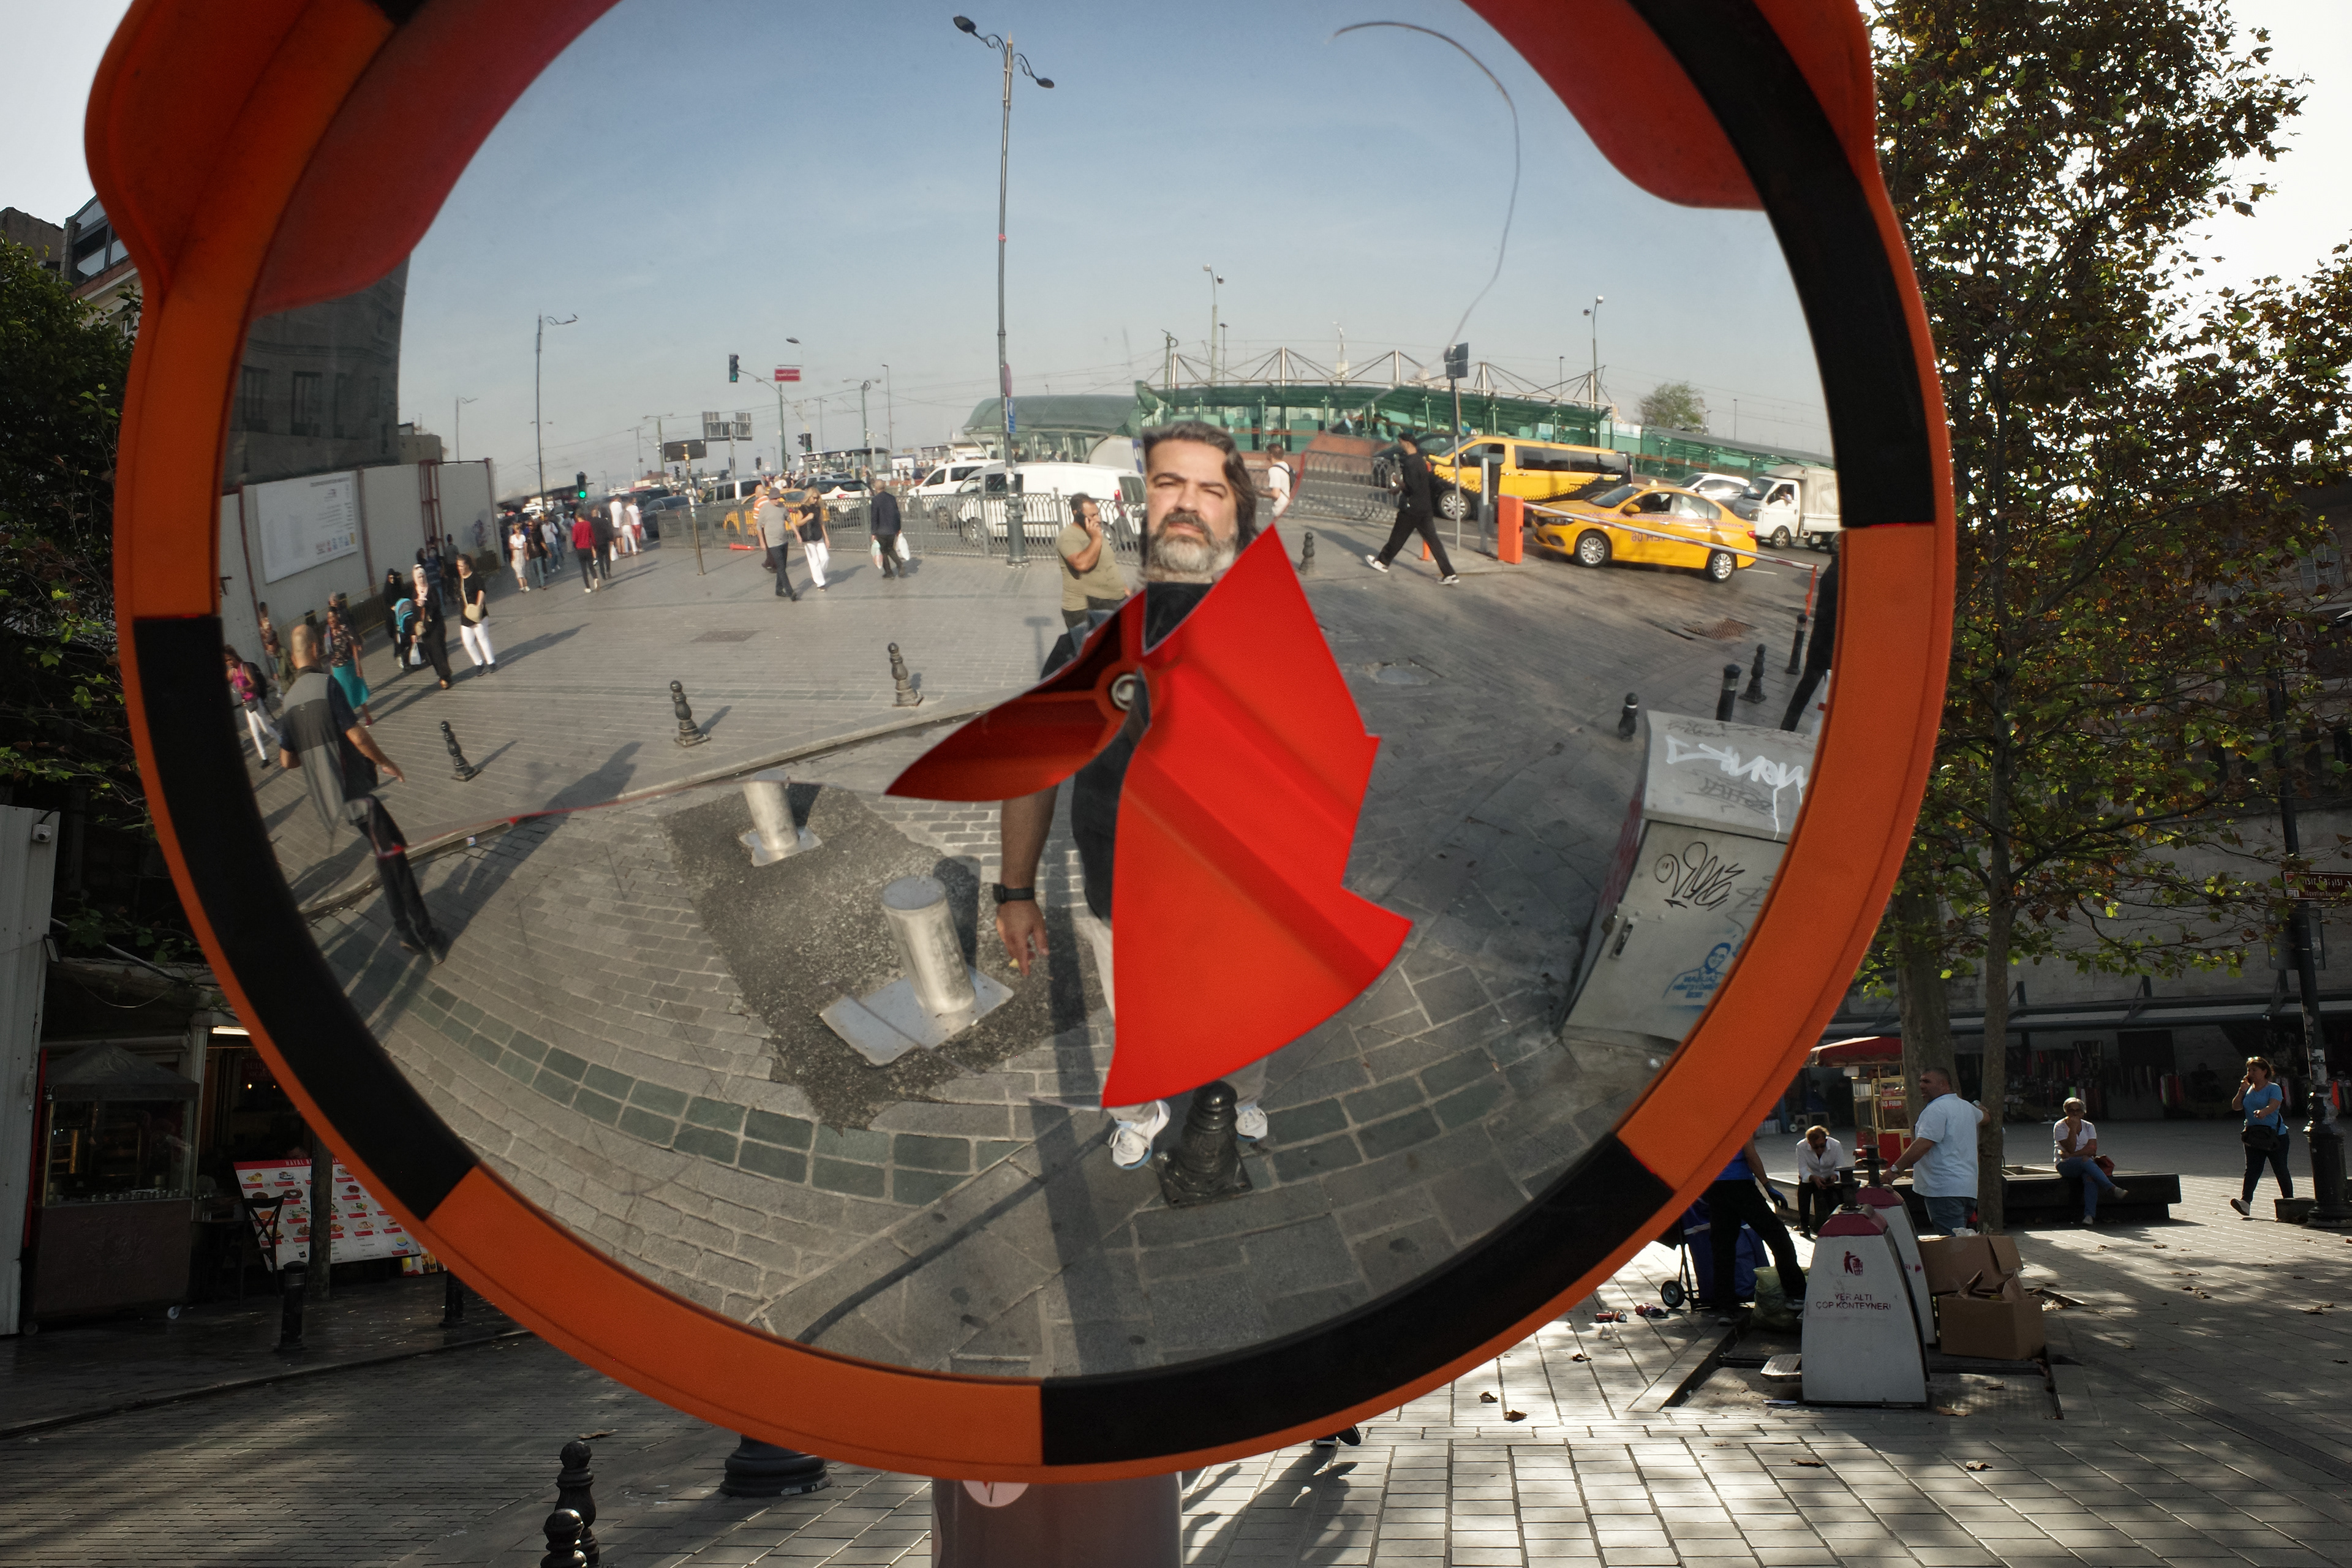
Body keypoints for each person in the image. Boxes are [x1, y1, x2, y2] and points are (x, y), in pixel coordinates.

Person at [995, 420, 1271, 1170]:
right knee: (1137, 1021)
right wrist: (1013, 889)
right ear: (1141, 508)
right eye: (1167, 484)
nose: (1186, 503)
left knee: (1245, 1018)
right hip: (1121, 896)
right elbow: (1032, 773)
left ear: (1238, 518)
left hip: (1241, 900)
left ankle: (1237, 1091)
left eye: (1211, 489)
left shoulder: (1272, 640)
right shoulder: (1088, 644)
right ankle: (1142, 1107)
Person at [277, 625, 443, 959]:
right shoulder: (327, 685)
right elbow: (357, 736)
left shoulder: (289, 702)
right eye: (319, 645)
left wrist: (314, 749)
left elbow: (286, 761)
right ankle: (425, 934)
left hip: (334, 800)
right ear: (311, 648)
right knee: (395, 855)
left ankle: (404, 929)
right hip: (356, 793)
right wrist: (386, 762)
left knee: (385, 853)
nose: (323, 649)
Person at [1700, 1135, 1804, 1320]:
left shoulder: (1706, 1123)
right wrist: (1768, 1185)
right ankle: (1796, 1295)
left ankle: (1726, 1307)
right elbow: (1751, 1155)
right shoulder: (1740, 1119)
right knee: (1778, 1237)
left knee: (1723, 1248)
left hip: (1715, 1188)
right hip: (1741, 1186)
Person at [1886, 1066, 1986, 1236]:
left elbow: (1923, 1144)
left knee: (1954, 1245)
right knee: (1963, 1241)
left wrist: (1894, 1171)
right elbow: (1986, 1117)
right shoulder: (1966, 1108)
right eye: (1920, 1081)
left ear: (1944, 1084)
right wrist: (1979, 1105)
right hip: (1967, 1189)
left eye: (1927, 1081)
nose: (1921, 1086)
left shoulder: (1936, 1110)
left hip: (1944, 1190)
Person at [1365, 431, 1458, 584]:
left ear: (1406, 443)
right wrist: (1399, 488)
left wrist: (1398, 482)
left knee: (1397, 537)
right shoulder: (1420, 460)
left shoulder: (1409, 462)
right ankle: (1449, 573)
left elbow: (1411, 488)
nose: (1399, 445)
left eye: (1400, 442)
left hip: (1411, 507)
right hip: (1425, 507)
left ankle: (1382, 562)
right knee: (1433, 541)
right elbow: (1420, 484)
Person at [1055, 494, 1131, 628]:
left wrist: (1126, 592)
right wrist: (1096, 539)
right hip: (1083, 609)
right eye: (1092, 515)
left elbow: (1108, 565)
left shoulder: (1096, 532)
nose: (1098, 519)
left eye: (1098, 514)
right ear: (1077, 514)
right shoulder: (1068, 536)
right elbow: (1081, 564)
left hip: (1112, 603)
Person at [2231, 1055, 2293, 1217]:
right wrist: (2242, 1090)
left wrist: (2264, 1111)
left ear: (2265, 1071)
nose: (2251, 1073)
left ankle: (2290, 1201)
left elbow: (2275, 1104)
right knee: (2252, 1170)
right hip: (2253, 1136)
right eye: (2249, 1070)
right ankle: (2245, 1202)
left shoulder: (2273, 1088)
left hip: (2275, 1136)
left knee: (2280, 1169)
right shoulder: (2248, 1089)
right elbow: (2236, 1107)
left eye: (2254, 1070)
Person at [2053, 1098, 2128, 1225]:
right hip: (2066, 1165)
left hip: (2084, 1162)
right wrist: (2073, 1128)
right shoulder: (2060, 1126)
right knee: (2086, 1160)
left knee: (2090, 1177)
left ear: (2083, 1113)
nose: (2075, 1114)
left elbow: (2092, 1150)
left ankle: (2089, 1216)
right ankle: (2111, 1188)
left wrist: (2071, 1154)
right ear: (2066, 1112)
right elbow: (2070, 1146)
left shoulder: (2089, 1126)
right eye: (2071, 1110)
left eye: (2078, 1111)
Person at [1793, 1124, 1849, 1238]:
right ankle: (1804, 1225)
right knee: (1803, 1189)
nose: (1819, 1150)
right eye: (1816, 1147)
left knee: (1840, 1193)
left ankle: (1840, 1223)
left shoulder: (1836, 1145)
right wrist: (1813, 1178)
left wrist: (1835, 1177)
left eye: (1822, 1146)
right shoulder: (1801, 1147)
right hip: (1813, 1178)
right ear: (1809, 1144)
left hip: (1831, 1177)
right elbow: (1803, 1170)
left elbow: (1840, 1167)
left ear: (1826, 1140)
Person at [225, 644, 277, 764]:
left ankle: (282, 741)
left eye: (230, 659)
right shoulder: (232, 672)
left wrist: (246, 688)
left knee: (266, 729)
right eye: (226, 661)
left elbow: (255, 685)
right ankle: (265, 758)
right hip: (247, 705)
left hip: (256, 701)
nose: (229, 662)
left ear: (234, 656)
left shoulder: (245, 667)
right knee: (254, 733)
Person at [322, 601, 372, 724]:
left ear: (337, 617)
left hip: (349, 665)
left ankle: (367, 716)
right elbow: (329, 655)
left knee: (357, 689)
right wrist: (331, 671)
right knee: (342, 695)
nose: (331, 620)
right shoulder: (327, 635)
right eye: (329, 618)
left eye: (333, 617)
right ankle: (350, 720)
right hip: (337, 669)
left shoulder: (344, 629)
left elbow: (354, 646)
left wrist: (357, 664)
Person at [409, 564, 454, 688]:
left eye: (423, 576)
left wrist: (425, 604)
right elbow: (415, 614)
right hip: (424, 630)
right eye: (419, 577)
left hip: (436, 626)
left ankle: (445, 677)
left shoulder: (432, 588)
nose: (422, 579)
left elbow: (437, 605)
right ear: (415, 579)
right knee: (431, 653)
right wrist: (414, 632)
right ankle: (441, 673)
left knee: (439, 650)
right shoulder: (415, 593)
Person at [453, 555, 497, 677]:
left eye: (461, 566)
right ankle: (479, 663)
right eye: (458, 566)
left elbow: (482, 590)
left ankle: (491, 662)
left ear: (467, 565)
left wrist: (478, 605)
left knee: (483, 638)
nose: (460, 568)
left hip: (478, 614)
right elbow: (458, 594)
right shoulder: (460, 579)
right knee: (467, 642)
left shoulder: (475, 576)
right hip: (465, 615)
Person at [756, 485, 800, 601]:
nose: (777, 500)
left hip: (784, 541)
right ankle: (791, 592)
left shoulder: (782, 507)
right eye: (775, 498)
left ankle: (778, 589)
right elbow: (759, 525)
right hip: (772, 542)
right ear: (770, 498)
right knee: (781, 567)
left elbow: (790, 521)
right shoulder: (765, 509)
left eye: (778, 498)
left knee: (783, 566)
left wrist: (797, 534)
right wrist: (762, 541)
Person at [796, 489, 831, 590]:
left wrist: (826, 538)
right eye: (814, 498)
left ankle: (817, 575)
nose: (816, 500)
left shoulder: (818, 508)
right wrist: (807, 518)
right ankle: (821, 583)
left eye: (817, 498)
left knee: (825, 558)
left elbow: (821, 523)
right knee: (814, 561)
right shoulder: (802, 508)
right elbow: (798, 523)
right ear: (809, 497)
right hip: (808, 537)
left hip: (818, 536)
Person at [869, 484, 905, 580]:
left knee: (884, 551)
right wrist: (898, 528)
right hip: (891, 530)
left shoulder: (875, 500)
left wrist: (873, 533)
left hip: (881, 530)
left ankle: (889, 573)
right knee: (890, 549)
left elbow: (874, 517)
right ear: (884, 488)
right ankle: (900, 565)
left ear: (876, 489)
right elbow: (897, 514)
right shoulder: (892, 498)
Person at [570, 507, 600, 592]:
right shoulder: (588, 524)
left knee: (584, 569)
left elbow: (574, 540)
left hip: (580, 549)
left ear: (577, 516)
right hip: (588, 548)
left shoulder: (575, 526)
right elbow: (592, 537)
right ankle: (595, 578)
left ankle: (588, 587)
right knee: (591, 566)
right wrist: (595, 546)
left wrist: (575, 548)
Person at [1265, 443, 1294, 522]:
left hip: (1279, 510)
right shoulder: (1286, 466)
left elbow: (1275, 494)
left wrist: (1261, 493)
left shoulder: (1274, 470)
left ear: (1271, 455)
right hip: (1288, 505)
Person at [591, 503, 618, 582]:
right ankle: (608, 571)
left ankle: (603, 574)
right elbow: (609, 530)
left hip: (596, 542)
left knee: (600, 559)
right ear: (598, 514)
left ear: (592, 515)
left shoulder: (590, 523)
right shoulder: (603, 521)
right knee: (607, 557)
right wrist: (611, 539)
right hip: (605, 541)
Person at [508, 518, 534, 592]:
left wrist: (526, 555)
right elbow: (511, 546)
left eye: (519, 529)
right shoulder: (512, 537)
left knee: (522, 571)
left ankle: (525, 585)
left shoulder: (523, 537)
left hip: (522, 554)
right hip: (516, 554)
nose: (518, 530)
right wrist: (514, 550)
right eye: (517, 529)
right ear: (515, 530)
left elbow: (525, 546)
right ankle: (522, 586)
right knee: (518, 570)